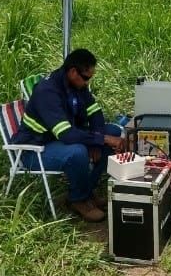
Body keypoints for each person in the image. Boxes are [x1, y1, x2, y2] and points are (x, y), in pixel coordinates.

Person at [13, 48, 124, 222]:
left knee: (113, 132)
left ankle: (87, 190)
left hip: (58, 140)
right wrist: (101, 139)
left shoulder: (76, 85)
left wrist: (97, 141)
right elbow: (66, 134)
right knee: (78, 151)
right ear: (73, 72)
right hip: (35, 150)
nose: (88, 82)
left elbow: (95, 112)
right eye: (86, 77)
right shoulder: (47, 92)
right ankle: (78, 200)